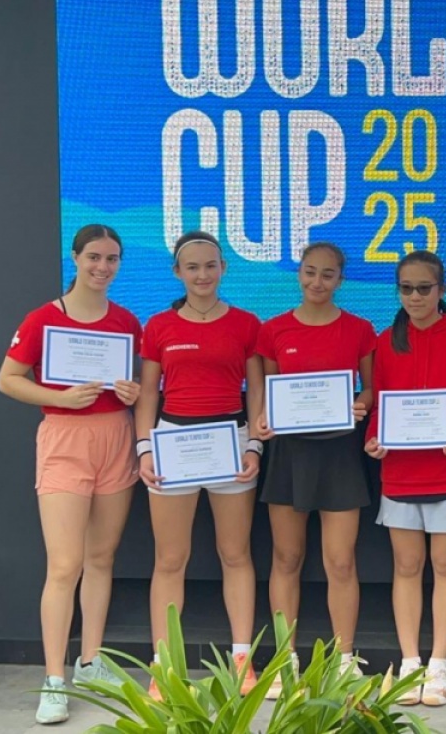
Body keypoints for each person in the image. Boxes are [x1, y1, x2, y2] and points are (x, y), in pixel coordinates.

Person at [0, 224, 143, 724]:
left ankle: (91, 661)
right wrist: (58, 397)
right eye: (94, 257)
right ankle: (54, 680)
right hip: (64, 439)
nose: (103, 267)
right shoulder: (43, 318)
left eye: (112, 259)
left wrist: (131, 393)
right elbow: (8, 379)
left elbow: (134, 382)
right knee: (64, 565)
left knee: (101, 557)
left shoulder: (126, 320)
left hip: (116, 435)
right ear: (76, 258)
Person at [134, 231, 263, 698]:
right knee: (170, 559)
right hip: (173, 445)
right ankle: (164, 666)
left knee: (236, 554)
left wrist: (255, 446)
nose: (202, 274)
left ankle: (242, 658)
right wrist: (145, 448)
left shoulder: (247, 323)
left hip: (231, 444)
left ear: (223, 268)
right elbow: (148, 394)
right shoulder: (159, 326)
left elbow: (256, 392)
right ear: (177, 272)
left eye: (210, 265)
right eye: (192, 267)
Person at [251, 241, 376, 699]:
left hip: (340, 453)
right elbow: (267, 393)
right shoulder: (274, 329)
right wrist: (264, 419)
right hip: (290, 455)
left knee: (340, 561)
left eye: (327, 274)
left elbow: (371, 390)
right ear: (299, 274)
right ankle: (284, 660)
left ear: (340, 280)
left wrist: (361, 404)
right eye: (309, 272)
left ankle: (345, 659)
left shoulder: (360, 329)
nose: (316, 282)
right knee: (286, 558)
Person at [363, 250, 446, 707]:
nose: (414, 297)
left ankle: (439, 664)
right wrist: (375, 438)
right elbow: (381, 405)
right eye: (406, 288)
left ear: (442, 290)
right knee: (407, 567)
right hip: (401, 472)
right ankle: (410, 662)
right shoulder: (385, 341)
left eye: (424, 288)